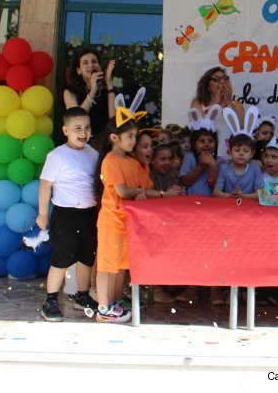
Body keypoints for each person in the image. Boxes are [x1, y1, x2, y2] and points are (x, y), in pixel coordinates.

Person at [94, 112, 180, 323]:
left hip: (127, 221)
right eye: (129, 136)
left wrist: (160, 194)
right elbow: (123, 191)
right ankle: (103, 308)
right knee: (106, 266)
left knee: (119, 267)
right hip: (112, 221)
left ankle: (115, 301)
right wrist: (141, 192)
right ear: (114, 138)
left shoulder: (132, 163)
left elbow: (145, 189)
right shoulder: (110, 161)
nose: (133, 140)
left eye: (134, 136)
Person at [35, 107, 100, 322]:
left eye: (87, 127)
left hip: (88, 213)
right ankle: (51, 301)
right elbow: (45, 185)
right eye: (77, 128)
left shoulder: (93, 154)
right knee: (61, 259)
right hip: (65, 214)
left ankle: (82, 295)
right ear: (65, 130)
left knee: (86, 257)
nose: (83, 132)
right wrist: (43, 214)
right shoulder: (57, 155)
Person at [190, 67, 245, 159]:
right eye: (217, 79)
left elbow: (242, 131)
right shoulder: (198, 104)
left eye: (225, 79)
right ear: (207, 86)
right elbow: (199, 131)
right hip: (207, 157)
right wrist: (216, 101)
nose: (222, 82)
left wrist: (229, 102)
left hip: (231, 158)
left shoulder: (237, 105)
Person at [63, 48, 116, 141]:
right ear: (79, 70)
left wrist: (109, 84)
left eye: (94, 61)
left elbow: (113, 120)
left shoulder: (107, 91)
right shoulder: (71, 92)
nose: (91, 65)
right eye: (85, 62)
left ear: (100, 67)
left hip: (104, 142)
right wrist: (93, 90)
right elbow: (76, 118)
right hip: (82, 141)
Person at [213, 134, 265, 200]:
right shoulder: (224, 168)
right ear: (230, 152)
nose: (241, 153)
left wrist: (243, 196)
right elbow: (216, 192)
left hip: (248, 205)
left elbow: (261, 194)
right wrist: (231, 196)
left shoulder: (255, 169)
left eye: (245, 151)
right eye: (237, 150)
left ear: (252, 154)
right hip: (228, 204)